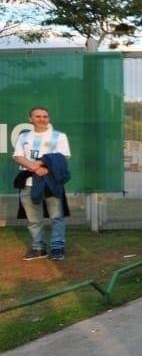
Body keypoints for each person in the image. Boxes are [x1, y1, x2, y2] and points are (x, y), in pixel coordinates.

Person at [13, 106, 71, 261]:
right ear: (30, 119)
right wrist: (33, 168)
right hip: (29, 182)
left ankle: (57, 248)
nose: (42, 119)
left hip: (51, 181)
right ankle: (38, 248)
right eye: (37, 116)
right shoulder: (24, 137)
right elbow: (18, 156)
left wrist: (41, 167)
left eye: (45, 116)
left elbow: (63, 157)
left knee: (56, 217)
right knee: (33, 219)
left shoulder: (59, 136)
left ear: (49, 119)